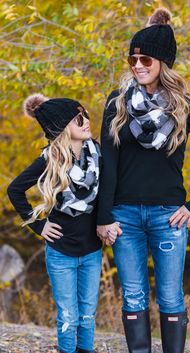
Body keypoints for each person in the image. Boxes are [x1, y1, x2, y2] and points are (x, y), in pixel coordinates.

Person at [96, 7, 190, 353]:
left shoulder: (187, 106)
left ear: (162, 62)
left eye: (145, 59)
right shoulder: (117, 103)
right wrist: (104, 216)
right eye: (133, 59)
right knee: (133, 294)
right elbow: (107, 164)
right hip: (124, 216)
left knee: (171, 296)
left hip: (168, 215)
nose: (138, 65)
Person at [7, 94, 102, 353]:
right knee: (68, 316)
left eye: (85, 115)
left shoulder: (97, 155)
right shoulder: (50, 160)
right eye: (78, 119)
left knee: (87, 315)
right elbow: (15, 190)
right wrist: (38, 226)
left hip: (92, 250)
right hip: (61, 252)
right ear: (61, 129)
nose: (86, 122)